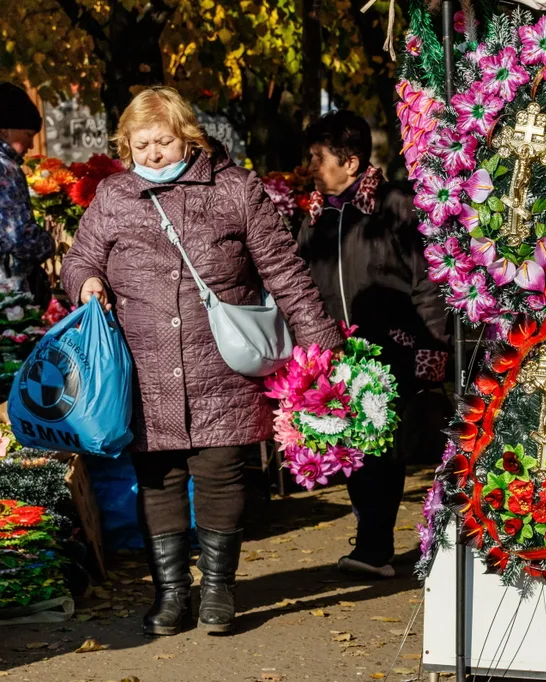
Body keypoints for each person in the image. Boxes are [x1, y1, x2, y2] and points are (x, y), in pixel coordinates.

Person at [61, 87, 343, 636]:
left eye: (163, 141)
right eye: (140, 145)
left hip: (223, 368)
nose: (152, 154)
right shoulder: (115, 195)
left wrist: (322, 348)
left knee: (220, 474)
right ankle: (171, 594)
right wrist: (86, 281)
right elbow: (80, 258)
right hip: (143, 369)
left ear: (187, 136)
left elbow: (283, 272)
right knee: (158, 478)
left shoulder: (234, 189)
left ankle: (217, 589)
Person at [299, 110, 450, 578]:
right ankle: (372, 542)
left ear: (350, 162)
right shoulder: (314, 215)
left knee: (379, 446)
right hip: (335, 351)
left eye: (317, 158)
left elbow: (427, 280)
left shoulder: (396, 205)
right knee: (348, 445)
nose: (310, 167)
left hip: (391, 347)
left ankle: (374, 548)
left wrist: (434, 346)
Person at [0, 83, 55, 300]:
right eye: (28, 134)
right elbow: (18, 237)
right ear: (3, 129)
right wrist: (49, 243)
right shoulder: (1, 167)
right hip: (3, 292)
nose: (31, 144)